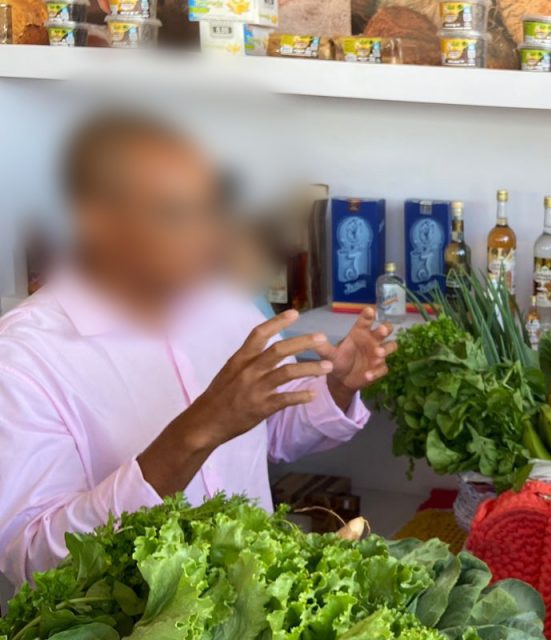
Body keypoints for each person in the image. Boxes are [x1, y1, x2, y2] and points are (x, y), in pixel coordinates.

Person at [0, 112, 394, 584]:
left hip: (250, 604)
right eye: (174, 214)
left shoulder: (222, 302)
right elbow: (32, 558)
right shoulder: (25, 358)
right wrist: (199, 428)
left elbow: (275, 432)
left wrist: (337, 384)